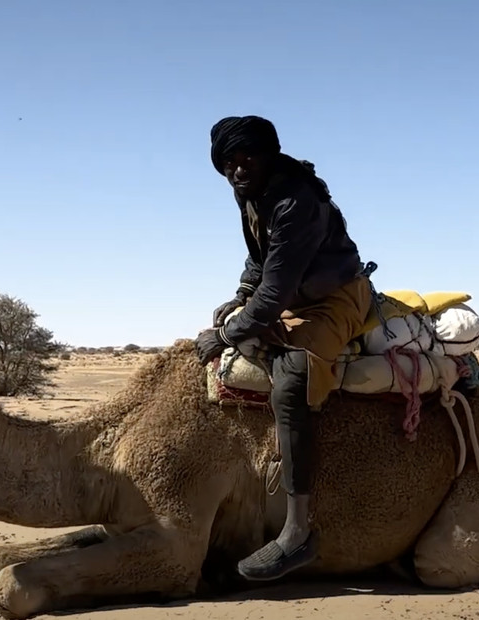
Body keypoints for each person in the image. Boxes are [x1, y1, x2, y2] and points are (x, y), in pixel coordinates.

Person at [195, 115, 374, 581]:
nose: (237, 169)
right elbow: (260, 256)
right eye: (228, 162)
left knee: (293, 377)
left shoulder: (297, 199)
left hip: (333, 298)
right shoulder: (249, 190)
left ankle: (297, 533)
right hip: (292, 294)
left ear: (269, 153)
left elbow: (275, 292)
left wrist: (228, 334)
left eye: (246, 157)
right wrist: (240, 294)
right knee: (232, 327)